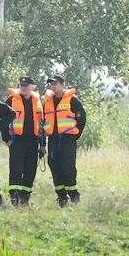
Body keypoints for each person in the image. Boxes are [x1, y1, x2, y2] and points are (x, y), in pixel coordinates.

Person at [42, 75, 86, 207]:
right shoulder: (47, 102)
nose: (53, 87)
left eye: (55, 84)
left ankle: (74, 196)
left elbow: (82, 118)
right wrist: (43, 143)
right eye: (51, 84)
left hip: (68, 139)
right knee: (54, 167)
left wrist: (75, 135)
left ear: (62, 85)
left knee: (68, 168)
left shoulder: (73, 100)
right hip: (53, 139)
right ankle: (61, 197)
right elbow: (43, 123)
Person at [5, 76, 45, 206]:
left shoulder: (37, 101)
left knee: (30, 170)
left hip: (33, 141)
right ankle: (14, 199)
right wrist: (7, 139)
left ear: (32, 87)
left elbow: (42, 124)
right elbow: (1, 121)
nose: (23, 88)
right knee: (16, 170)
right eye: (22, 85)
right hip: (17, 141)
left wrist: (43, 144)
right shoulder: (11, 100)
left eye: (26, 85)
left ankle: (25, 199)